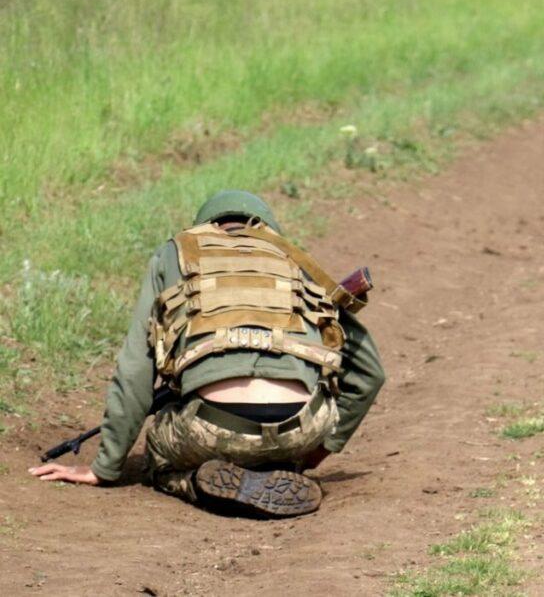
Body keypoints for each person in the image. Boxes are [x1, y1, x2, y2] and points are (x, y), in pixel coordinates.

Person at [29, 190, 385, 517]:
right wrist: (318, 451)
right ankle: (277, 470)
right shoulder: (297, 262)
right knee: (280, 436)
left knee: (157, 457)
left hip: (211, 429)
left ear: (204, 225)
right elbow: (370, 373)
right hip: (300, 429)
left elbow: (136, 369)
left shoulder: (175, 253)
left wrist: (104, 467)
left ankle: (197, 481)